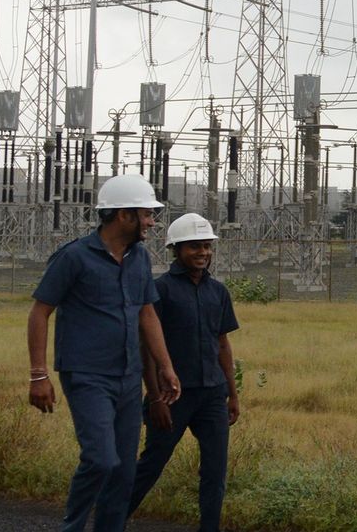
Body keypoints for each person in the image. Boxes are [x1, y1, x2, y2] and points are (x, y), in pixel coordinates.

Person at [28, 173, 181, 532]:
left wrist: (166, 367)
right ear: (124, 215)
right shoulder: (74, 257)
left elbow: (147, 314)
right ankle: (72, 526)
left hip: (128, 376)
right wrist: (38, 375)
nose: (152, 222)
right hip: (86, 374)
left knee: (124, 471)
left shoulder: (139, 258)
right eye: (146, 214)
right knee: (100, 459)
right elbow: (40, 312)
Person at [128, 213, 240, 532]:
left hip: (212, 396)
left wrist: (232, 394)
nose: (203, 253)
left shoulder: (218, 292)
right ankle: (111, 519)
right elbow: (146, 347)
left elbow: (223, 345)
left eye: (206, 247)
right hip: (172, 397)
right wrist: (155, 400)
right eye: (194, 247)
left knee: (215, 473)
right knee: (152, 464)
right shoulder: (159, 290)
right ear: (176, 249)